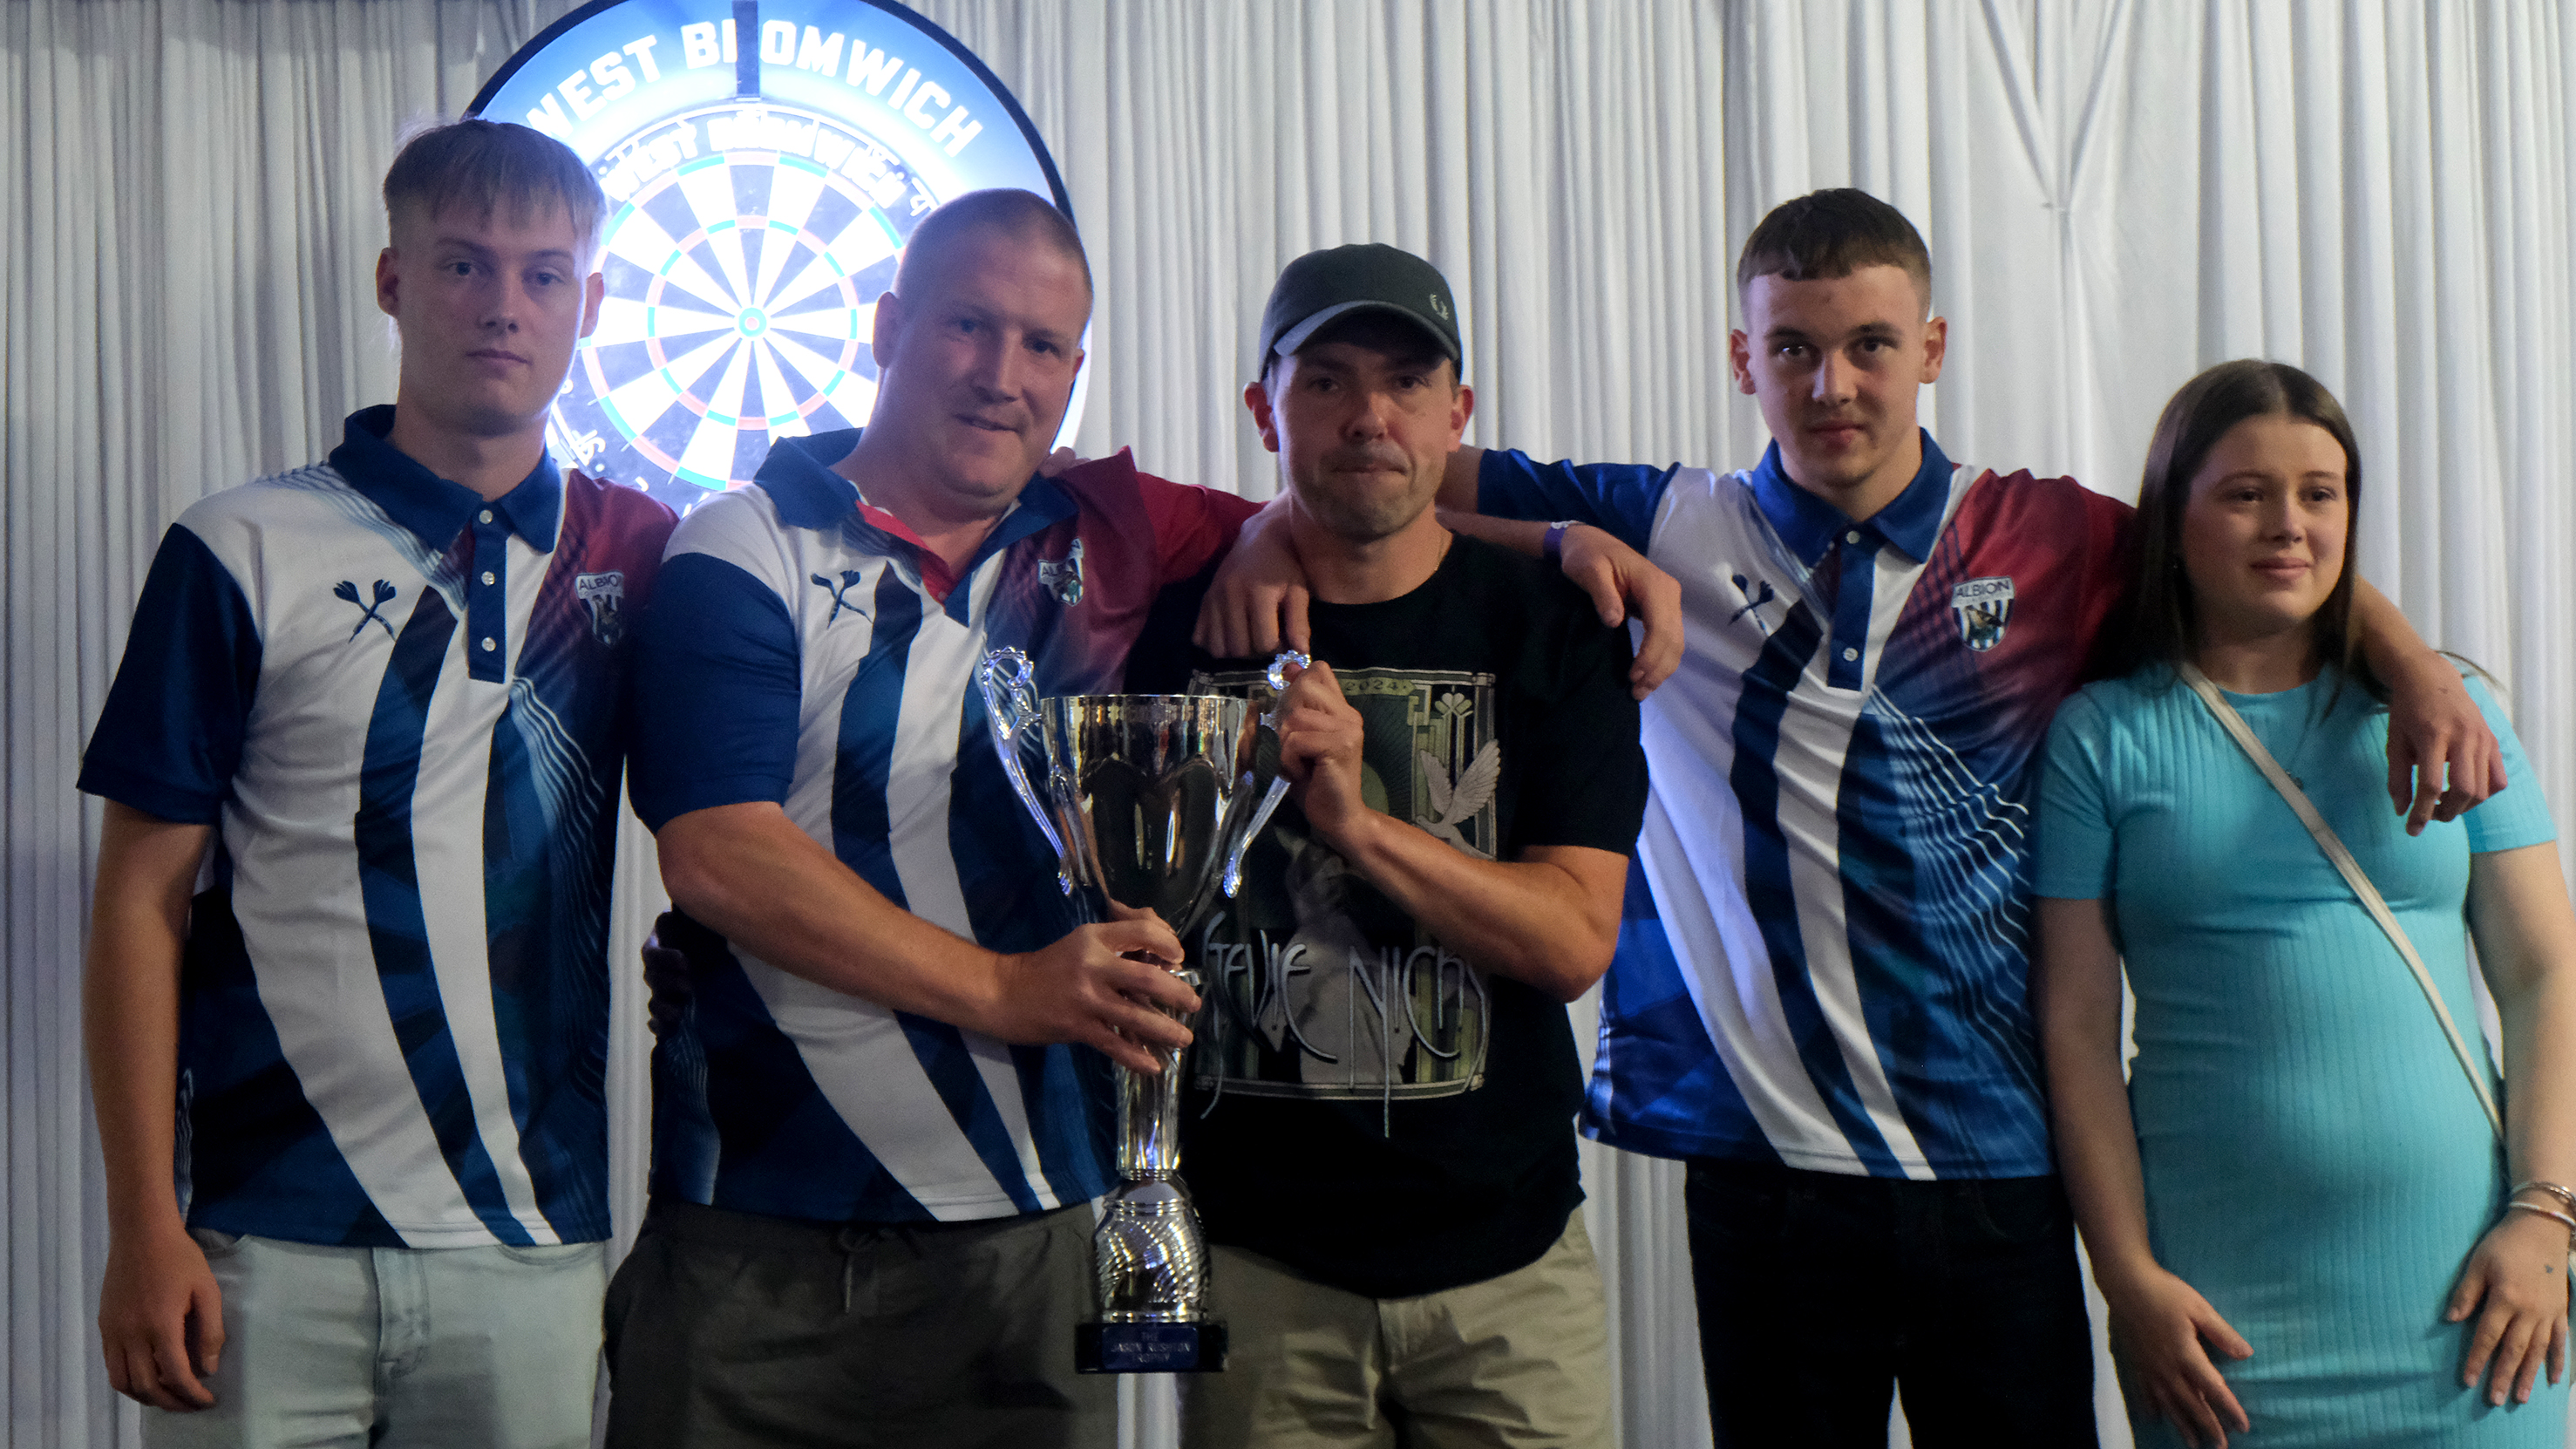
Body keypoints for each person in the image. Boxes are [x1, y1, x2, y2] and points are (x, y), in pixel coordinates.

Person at [1197, 187, 2505, 1446]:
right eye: (1793, 348)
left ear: (1927, 348)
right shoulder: (1665, 520)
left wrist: (2416, 665)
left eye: (1869, 345)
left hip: (1994, 1165)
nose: (1832, 385)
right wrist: (1270, 533)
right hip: (1760, 1172)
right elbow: (1368, 473)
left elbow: (2239, 544)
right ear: (1739, 358)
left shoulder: (2041, 533)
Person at [603, 188, 1261, 1449]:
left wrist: (1562, 536)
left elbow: (1359, 511)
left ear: (1074, 368)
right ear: (889, 324)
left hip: (1031, 1233)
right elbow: (718, 853)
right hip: (755, 1233)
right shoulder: (744, 544)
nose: (1001, 375)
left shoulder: (1110, 533)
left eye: (1042, 345)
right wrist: (1006, 989)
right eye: (968, 325)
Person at [77, 119, 672, 1446]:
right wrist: (140, 1224)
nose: (503, 307)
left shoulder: (640, 550)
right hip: (259, 1242)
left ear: (589, 299)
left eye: (542, 274)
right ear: (393, 281)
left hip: (528, 1241)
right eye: (464, 266)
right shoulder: (239, 544)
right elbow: (137, 902)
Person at [2035, 359, 2576, 1448]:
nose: (2289, 525)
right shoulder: (2100, 736)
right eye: (2245, 494)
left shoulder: (2448, 714)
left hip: (2473, 1303)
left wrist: (2546, 1213)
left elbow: (2544, 973)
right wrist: (2127, 1278)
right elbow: (2078, 1031)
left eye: (2320, 494)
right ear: (2174, 518)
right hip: (2223, 1326)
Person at [1159, 243, 1647, 1449]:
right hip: (1261, 1270)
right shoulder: (1179, 625)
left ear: (1456, 412)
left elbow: (1574, 937)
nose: (1367, 415)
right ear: (1261, 411)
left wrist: (1358, 827)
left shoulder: (1552, 628)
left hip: (1506, 1271)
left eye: (1404, 381)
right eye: (1322, 381)